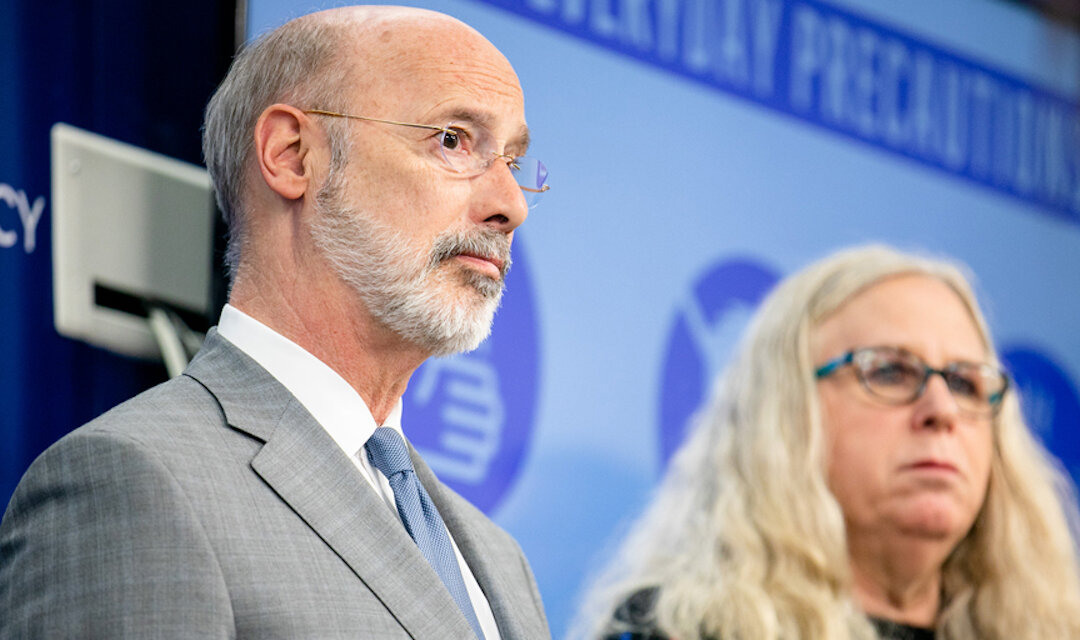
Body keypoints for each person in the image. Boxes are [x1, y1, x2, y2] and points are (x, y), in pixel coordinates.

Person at [0, 6, 550, 639]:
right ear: (292, 156)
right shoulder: (135, 483)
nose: (510, 206)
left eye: (512, 160)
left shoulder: (500, 564)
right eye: (452, 139)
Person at [573, 245, 1080, 639]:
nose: (942, 411)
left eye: (967, 382)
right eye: (890, 371)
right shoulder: (675, 629)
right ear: (786, 415)